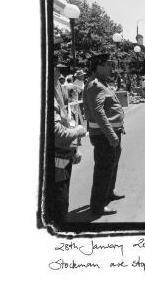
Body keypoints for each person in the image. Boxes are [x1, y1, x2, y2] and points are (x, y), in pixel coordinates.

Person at [83, 53, 125, 217]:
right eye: (107, 64)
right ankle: (98, 206)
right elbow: (98, 113)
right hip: (104, 136)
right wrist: (111, 135)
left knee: (112, 166)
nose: (110, 67)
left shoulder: (102, 83)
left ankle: (108, 193)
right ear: (98, 66)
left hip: (111, 133)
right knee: (103, 170)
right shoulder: (95, 85)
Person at [52, 65, 87, 224]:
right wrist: (79, 131)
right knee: (58, 206)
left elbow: (65, 119)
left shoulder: (57, 87)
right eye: (55, 68)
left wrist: (74, 149)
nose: (59, 73)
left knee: (61, 200)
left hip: (63, 155)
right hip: (56, 159)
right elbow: (58, 134)